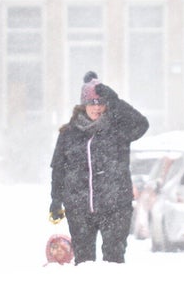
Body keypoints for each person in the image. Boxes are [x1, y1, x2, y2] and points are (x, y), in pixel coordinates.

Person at [49, 71, 149, 263]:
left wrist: (117, 101)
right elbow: (59, 169)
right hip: (79, 208)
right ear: (83, 105)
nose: (97, 108)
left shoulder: (118, 130)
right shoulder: (69, 134)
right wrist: (56, 200)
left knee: (114, 259)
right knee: (84, 261)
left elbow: (142, 124)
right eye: (92, 103)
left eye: (101, 103)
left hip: (115, 207)